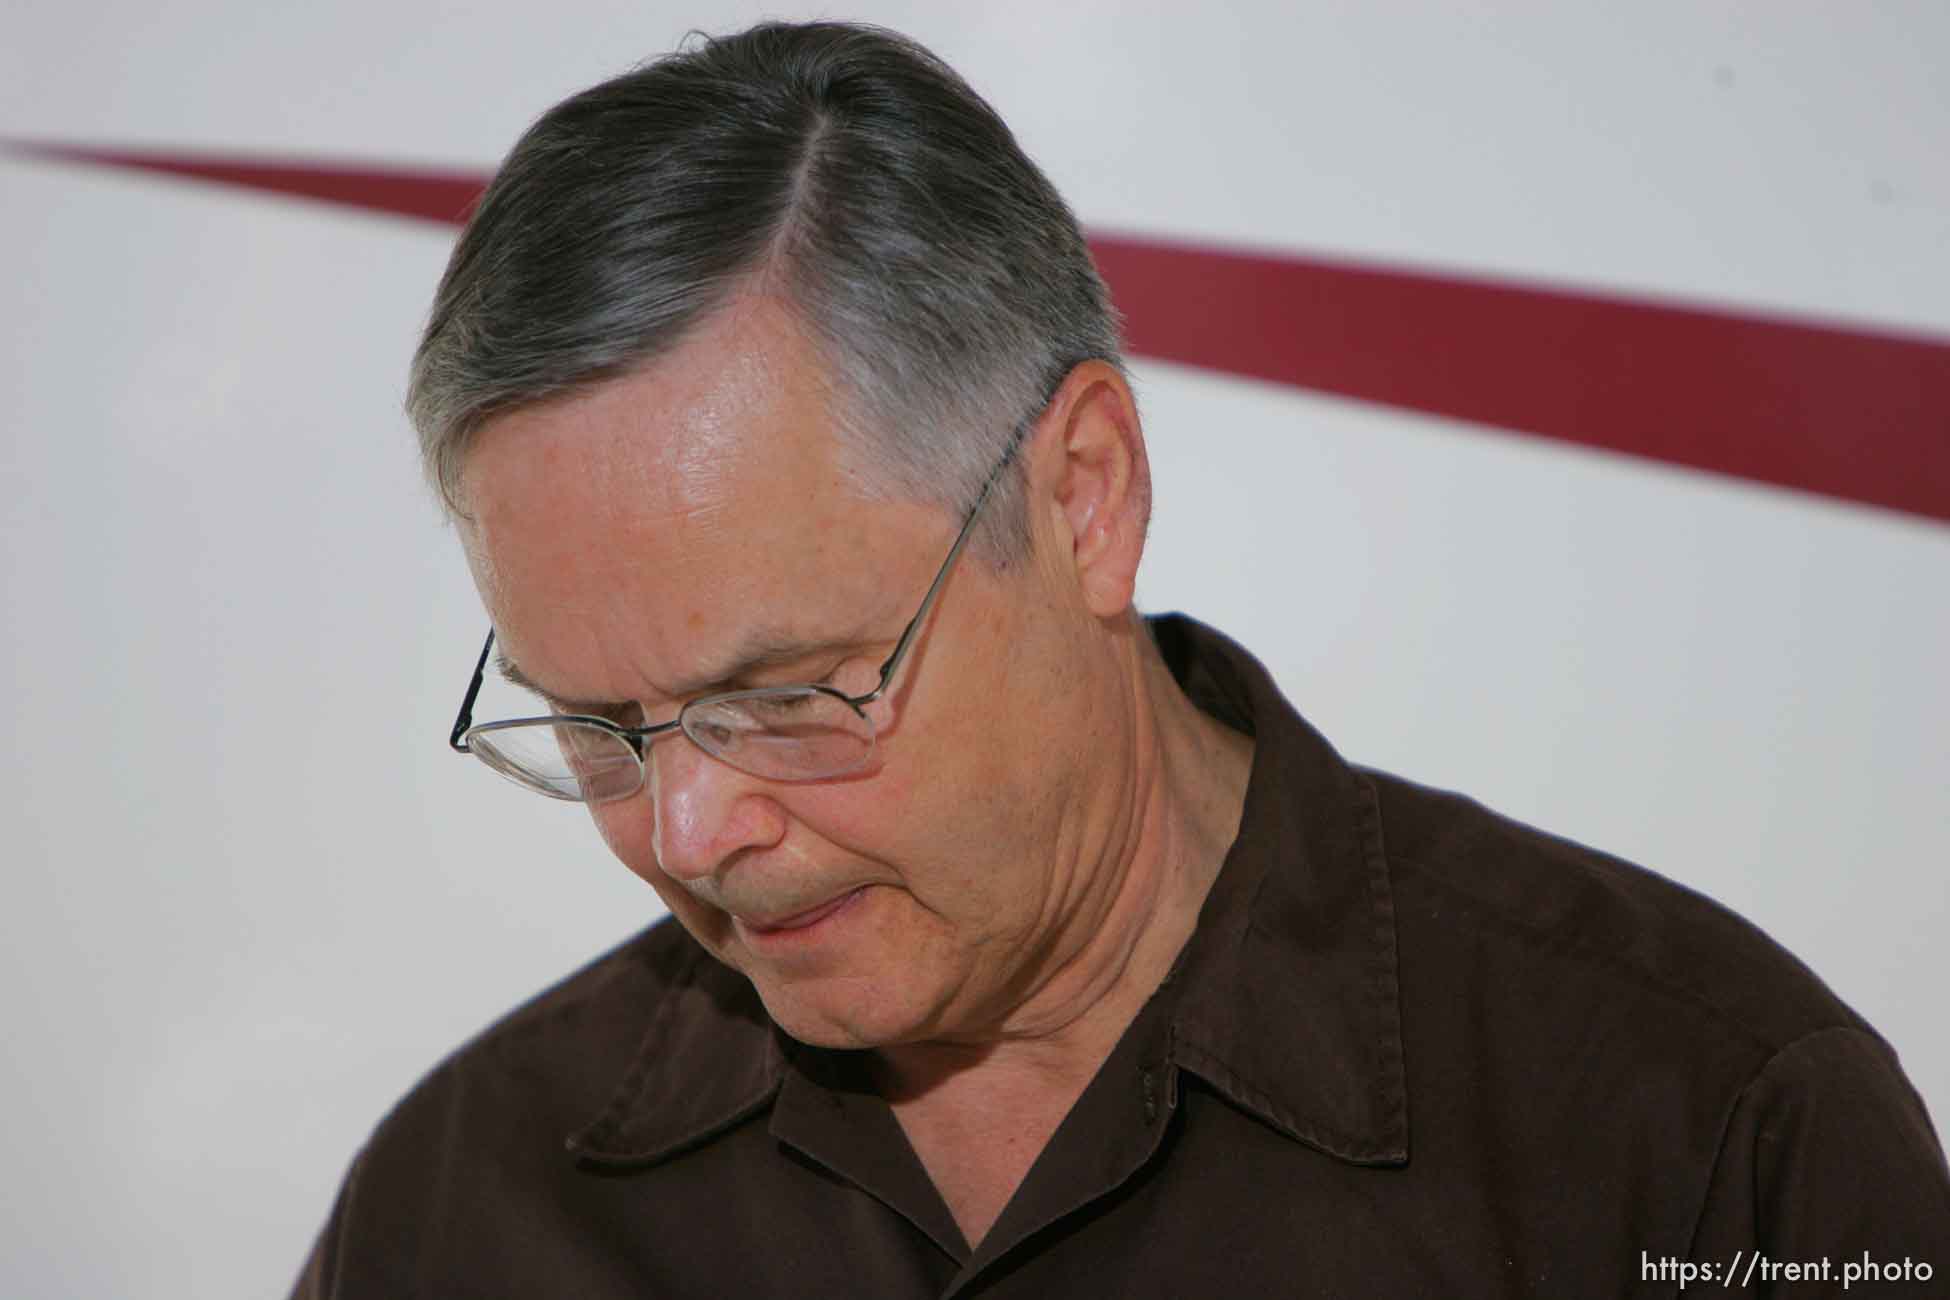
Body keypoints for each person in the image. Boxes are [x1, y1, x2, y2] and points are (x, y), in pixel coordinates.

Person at [294, 20, 1950, 1297]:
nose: (688, 833)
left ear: (1084, 497)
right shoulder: (462, 1211)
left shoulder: (1703, 1134)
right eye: (597, 728)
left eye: (786, 692)